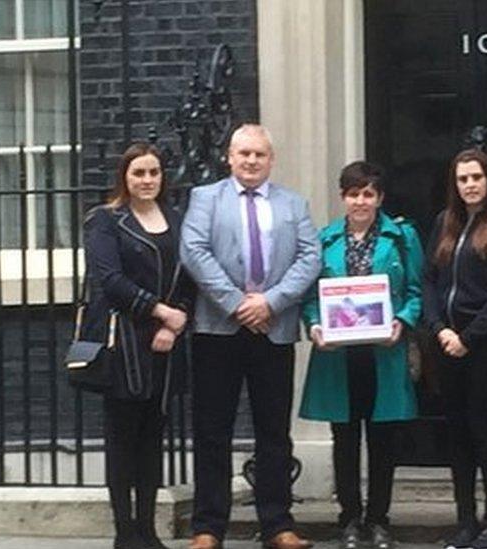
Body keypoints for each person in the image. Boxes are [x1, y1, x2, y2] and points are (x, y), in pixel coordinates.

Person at [180, 124, 321, 549]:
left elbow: (309, 256)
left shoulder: (293, 203)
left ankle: (277, 524)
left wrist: (271, 303)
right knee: (212, 430)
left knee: (274, 430)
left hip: (273, 328)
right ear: (229, 157)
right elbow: (194, 251)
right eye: (244, 154)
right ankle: (208, 527)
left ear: (271, 159)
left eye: (259, 154)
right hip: (218, 329)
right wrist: (239, 304)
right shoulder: (205, 199)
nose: (251, 161)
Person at [299, 161, 424, 549]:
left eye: (368, 193)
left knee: (384, 439)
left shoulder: (402, 237)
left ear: (380, 198)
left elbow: (418, 291)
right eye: (353, 193)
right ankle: (350, 518)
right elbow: (309, 296)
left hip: (384, 353)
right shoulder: (324, 241)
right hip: (339, 356)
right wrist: (316, 325)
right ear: (342, 198)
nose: (360, 201)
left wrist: (402, 321)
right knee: (345, 437)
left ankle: (379, 518)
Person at [83, 143, 195, 549]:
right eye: (138, 174)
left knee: (153, 438)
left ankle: (148, 530)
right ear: (124, 178)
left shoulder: (178, 220)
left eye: (153, 173)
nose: (147, 180)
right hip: (124, 341)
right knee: (122, 439)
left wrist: (176, 319)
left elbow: (189, 278)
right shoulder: (105, 221)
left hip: (167, 342)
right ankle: (124, 532)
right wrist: (161, 312)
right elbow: (110, 281)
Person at [422, 149, 487, 549]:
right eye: (462, 179)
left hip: (486, 343)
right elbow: (429, 279)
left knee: (486, 431)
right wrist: (439, 329)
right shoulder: (443, 223)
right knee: (457, 433)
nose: (469, 185)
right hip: (447, 342)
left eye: (476, 177)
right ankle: (465, 521)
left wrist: (471, 336)